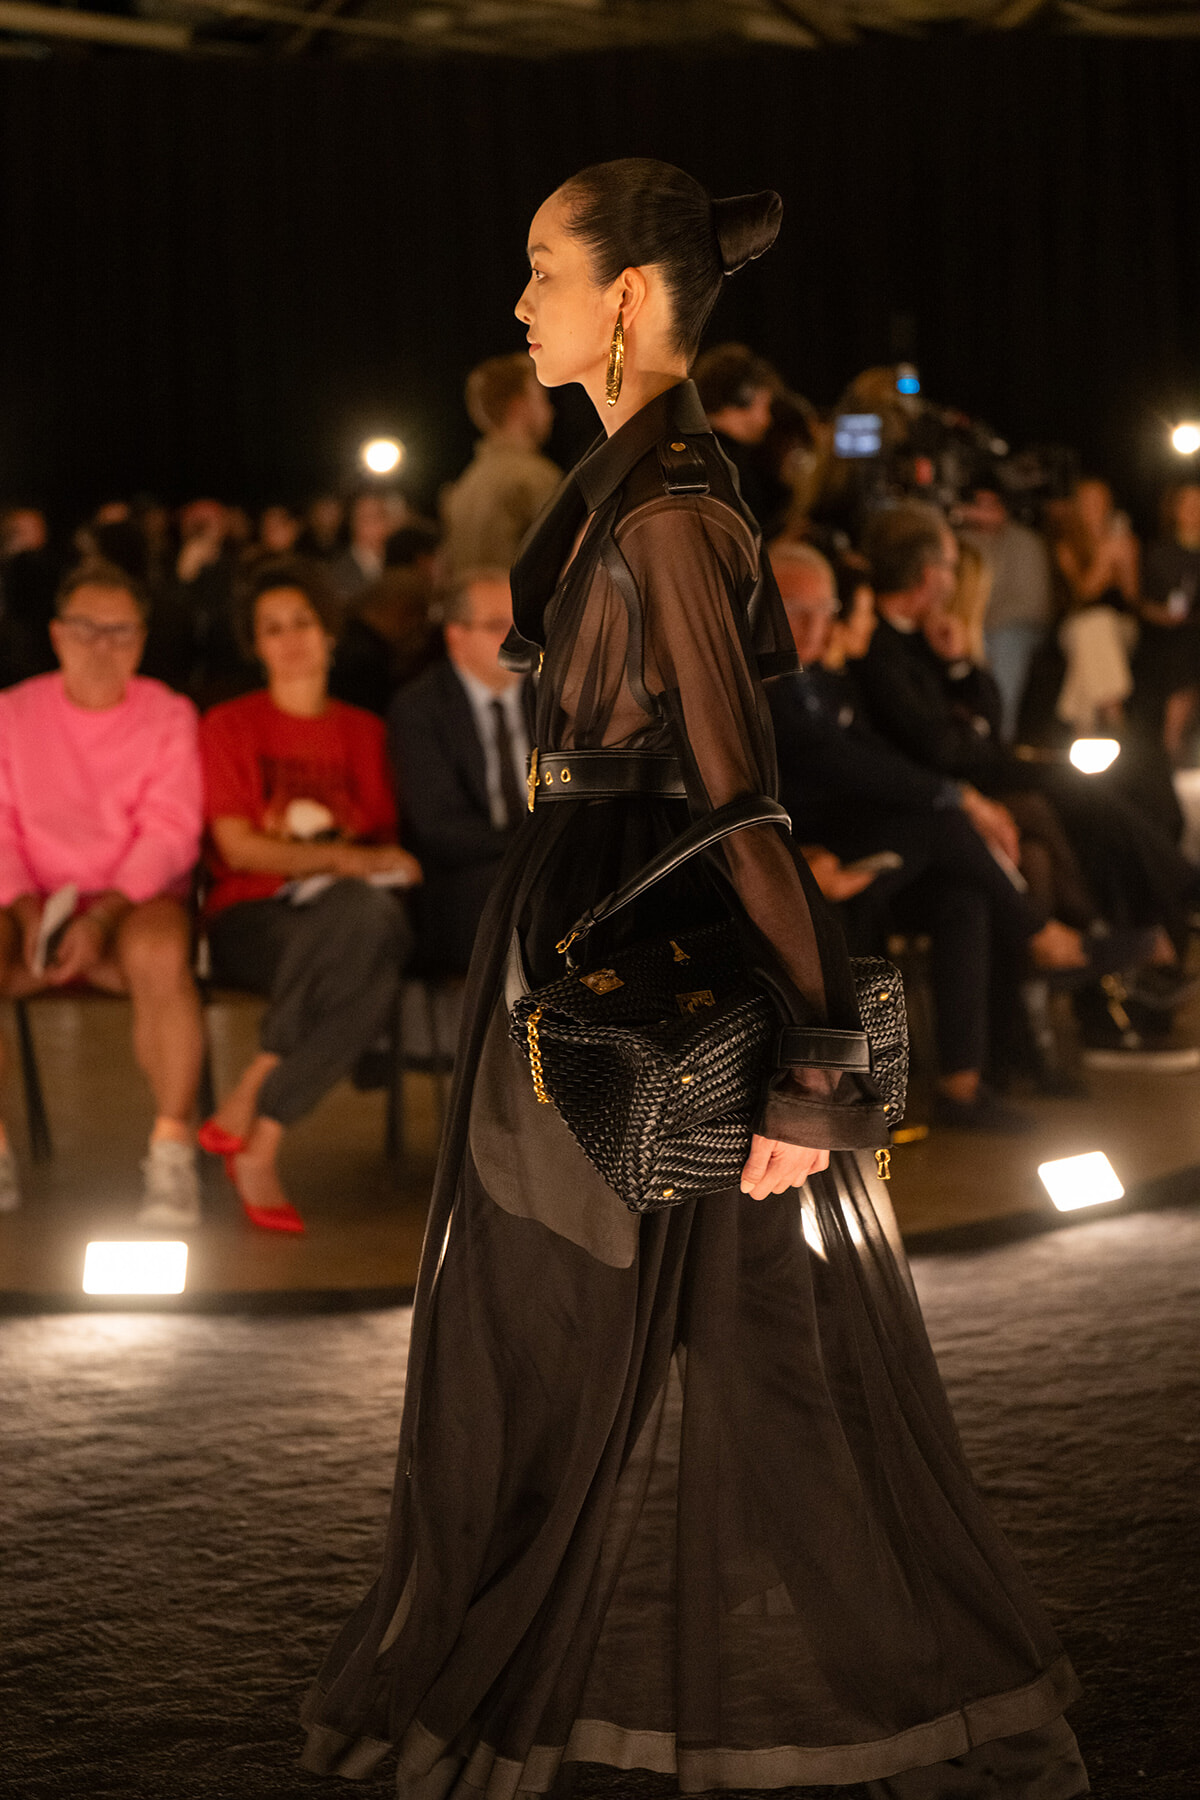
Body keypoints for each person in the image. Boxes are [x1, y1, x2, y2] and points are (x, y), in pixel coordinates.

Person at [301, 161, 1087, 1799]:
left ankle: (898, 1706)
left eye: (542, 269)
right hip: (610, 923)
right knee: (647, 1325)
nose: (519, 303)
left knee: (649, 1327)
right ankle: (905, 1702)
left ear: (632, 300)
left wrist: (809, 1066)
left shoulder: (665, 507)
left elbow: (741, 796)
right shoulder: (637, 481)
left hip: (651, 943)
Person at [768, 543, 1085, 1127]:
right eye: (795, 607)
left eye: (826, 608)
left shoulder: (824, 682)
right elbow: (842, 763)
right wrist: (957, 796)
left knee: (961, 895)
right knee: (950, 824)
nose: (818, 624)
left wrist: (961, 671)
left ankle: (962, 1087)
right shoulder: (770, 686)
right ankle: (1039, 929)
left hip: (860, 844)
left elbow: (896, 754)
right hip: (804, 854)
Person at [198, 560, 420, 1233]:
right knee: (370, 945)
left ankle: (259, 1128)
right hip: (252, 916)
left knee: (369, 936)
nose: (290, 638)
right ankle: (262, 1102)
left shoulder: (366, 733)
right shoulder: (230, 725)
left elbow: (384, 844)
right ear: (256, 645)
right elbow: (239, 850)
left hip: (342, 918)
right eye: (272, 628)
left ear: (329, 635)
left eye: (303, 623)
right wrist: (340, 857)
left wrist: (351, 863)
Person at [0, 560, 206, 1225]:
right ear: (59, 635)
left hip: (132, 898)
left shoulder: (167, 714)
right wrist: (31, 908)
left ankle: (172, 1150)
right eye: (88, 629)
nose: (102, 645)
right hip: (26, 895)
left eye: (120, 632)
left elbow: (172, 827)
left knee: (159, 950)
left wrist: (103, 915)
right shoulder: (12, 712)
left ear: (140, 641)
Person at [388, 568, 530, 975]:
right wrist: (532, 854)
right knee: (513, 899)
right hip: (466, 877)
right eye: (499, 626)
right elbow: (439, 826)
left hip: (548, 865)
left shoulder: (557, 696)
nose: (518, 637)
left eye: (521, 623)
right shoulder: (420, 708)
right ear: (456, 636)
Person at [439, 352, 562, 576]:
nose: (550, 412)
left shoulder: (464, 485)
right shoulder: (533, 477)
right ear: (519, 406)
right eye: (542, 398)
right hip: (515, 609)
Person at [958, 484, 1054, 741]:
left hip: (1014, 628)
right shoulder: (959, 542)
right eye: (978, 505)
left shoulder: (1025, 543)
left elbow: (1032, 604)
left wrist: (983, 623)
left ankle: (999, 740)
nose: (983, 512)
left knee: (1005, 645)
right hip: (968, 626)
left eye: (991, 505)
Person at [1131, 481, 1200, 761]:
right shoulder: (1158, 553)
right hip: (1165, 636)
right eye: (1188, 504)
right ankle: (1172, 749)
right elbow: (1141, 603)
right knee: (1181, 655)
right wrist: (1161, 615)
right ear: (1175, 510)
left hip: (1194, 632)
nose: (1195, 510)